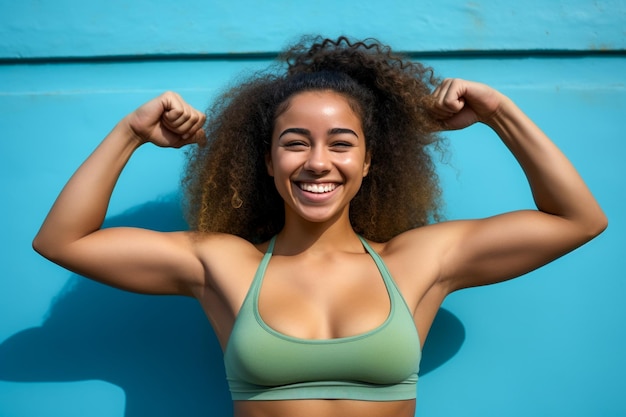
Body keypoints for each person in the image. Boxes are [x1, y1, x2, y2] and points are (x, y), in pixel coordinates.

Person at [32, 36, 607, 417]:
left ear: (368, 161)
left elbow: (577, 219)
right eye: (294, 143)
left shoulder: (418, 262)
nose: (317, 162)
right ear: (267, 161)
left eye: (341, 143)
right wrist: (131, 132)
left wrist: (498, 111)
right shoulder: (225, 265)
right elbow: (63, 241)